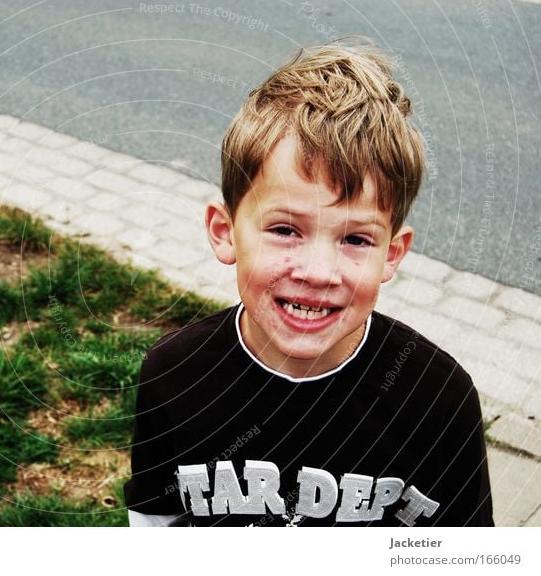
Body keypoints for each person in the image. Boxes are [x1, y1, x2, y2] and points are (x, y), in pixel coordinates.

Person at [123, 40, 494, 527]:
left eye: (356, 239)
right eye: (284, 229)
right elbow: (156, 519)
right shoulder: (173, 375)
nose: (319, 272)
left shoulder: (439, 399)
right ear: (225, 232)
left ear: (393, 254)